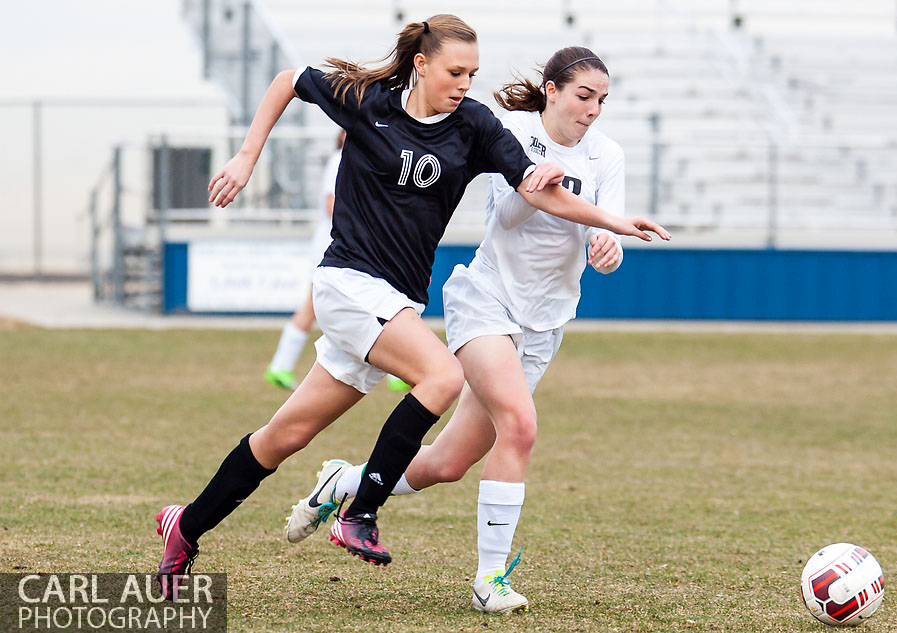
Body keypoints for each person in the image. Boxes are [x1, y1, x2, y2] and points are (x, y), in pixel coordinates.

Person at [155, 16, 657, 599]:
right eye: (454, 71)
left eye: (472, 73)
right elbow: (289, 80)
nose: (465, 83)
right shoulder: (368, 100)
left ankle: (184, 527)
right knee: (441, 374)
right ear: (421, 65)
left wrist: (614, 223)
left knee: (284, 434)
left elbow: (536, 190)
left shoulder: (474, 125)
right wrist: (246, 156)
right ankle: (359, 513)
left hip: (396, 301)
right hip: (346, 283)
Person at [286, 46, 671, 613]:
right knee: (520, 425)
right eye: (583, 97)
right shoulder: (508, 130)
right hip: (485, 302)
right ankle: (490, 580)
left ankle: (345, 483)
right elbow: (510, 213)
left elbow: (603, 239)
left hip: (546, 320)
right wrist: (540, 180)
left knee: (446, 464)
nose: (592, 111)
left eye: (602, 101)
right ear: (552, 90)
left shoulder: (607, 154)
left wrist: (607, 247)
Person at [265, 129, 345, 391]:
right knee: (310, 308)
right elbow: (330, 205)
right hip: (331, 246)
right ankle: (280, 366)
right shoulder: (340, 160)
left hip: (341, 245)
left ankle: (394, 372)